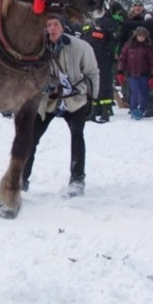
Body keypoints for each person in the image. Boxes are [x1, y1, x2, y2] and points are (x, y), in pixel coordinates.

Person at [21, 14, 99, 196]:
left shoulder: (81, 47)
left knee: (77, 136)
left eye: (55, 24)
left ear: (63, 27)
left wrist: (92, 99)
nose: (52, 29)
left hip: (74, 98)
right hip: (49, 100)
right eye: (48, 25)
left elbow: (92, 73)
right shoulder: (38, 49)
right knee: (31, 138)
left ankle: (77, 179)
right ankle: (21, 178)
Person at [117, 26, 153, 120]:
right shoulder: (128, 45)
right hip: (132, 73)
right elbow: (122, 59)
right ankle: (133, 109)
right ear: (136, 36)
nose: (141, 38)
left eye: (143, 36)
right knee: (135, 91)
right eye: (139, 36)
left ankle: (142, 110)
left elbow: (152, 62)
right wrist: (120, 71)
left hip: (144, 74)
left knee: (144, 92)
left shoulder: (148, 47)